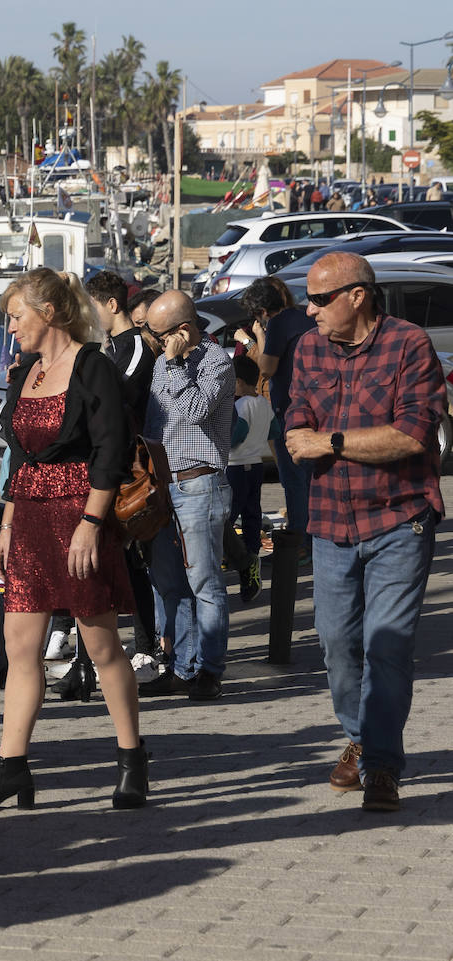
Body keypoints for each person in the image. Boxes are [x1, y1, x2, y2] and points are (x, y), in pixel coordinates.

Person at [0, 268, 145, 814]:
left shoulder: (93, 367)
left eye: (15, 316)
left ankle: (132, 759)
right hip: (32, 520)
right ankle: (10, 766)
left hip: (82, 515)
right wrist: (8, 522)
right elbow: (20, 458)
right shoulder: (25, 375)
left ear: (50, 312)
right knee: (20, 647)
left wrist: (91, 522)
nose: (10, 328)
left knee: (101, 645)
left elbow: (112, 450)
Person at [285, 252, 444, 813]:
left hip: (400, 519)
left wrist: (328, 442)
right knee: (336, 646)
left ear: (358, 296)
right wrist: (302, 433)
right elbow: (296, 417)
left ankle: (381, 766)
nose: (310, 310)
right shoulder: (307, 348)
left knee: (388, 647)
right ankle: (358, 734)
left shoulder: (409, 345)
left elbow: (412, 435)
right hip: (330, 521)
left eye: (321, 299)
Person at [137, 291, 234, 701]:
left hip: (199, 484)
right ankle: (181, 667)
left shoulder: (218, 363)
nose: (153, 343)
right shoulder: (161, 362)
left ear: (182, 330)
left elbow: (195, 410)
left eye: (158, 335)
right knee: (168, 582)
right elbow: (154, 422)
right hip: (163, 486)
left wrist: (176, 363)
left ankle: (210, 670)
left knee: (205, 583)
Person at [84, 270, 159, 658]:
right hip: (120, 464)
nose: (93, 315)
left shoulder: (136, 348)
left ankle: (148, 644)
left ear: (112, 305)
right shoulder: (115, 347)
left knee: (135, 565)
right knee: (124, 564)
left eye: (95, 307)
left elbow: (121, 396)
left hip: (135, 471)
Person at [238, 277, 316, 549]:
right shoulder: (304, 316)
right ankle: (314, 537)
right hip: (315, 409)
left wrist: (256, 339)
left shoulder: (280, 324)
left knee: (294, 480)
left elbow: (267, 368)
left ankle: (300, 541)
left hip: (291, 411)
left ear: (261, 312)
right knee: (310, 479)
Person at [222, 355, 273, 603]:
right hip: (257, 466)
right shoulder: (263, 403)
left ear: (239, 382)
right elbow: (275, 431)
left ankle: (231, 555)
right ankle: (253, 555)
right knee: (253, 513)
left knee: (228, 515)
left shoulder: (240, 406)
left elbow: (236, 436)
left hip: (235, 466)